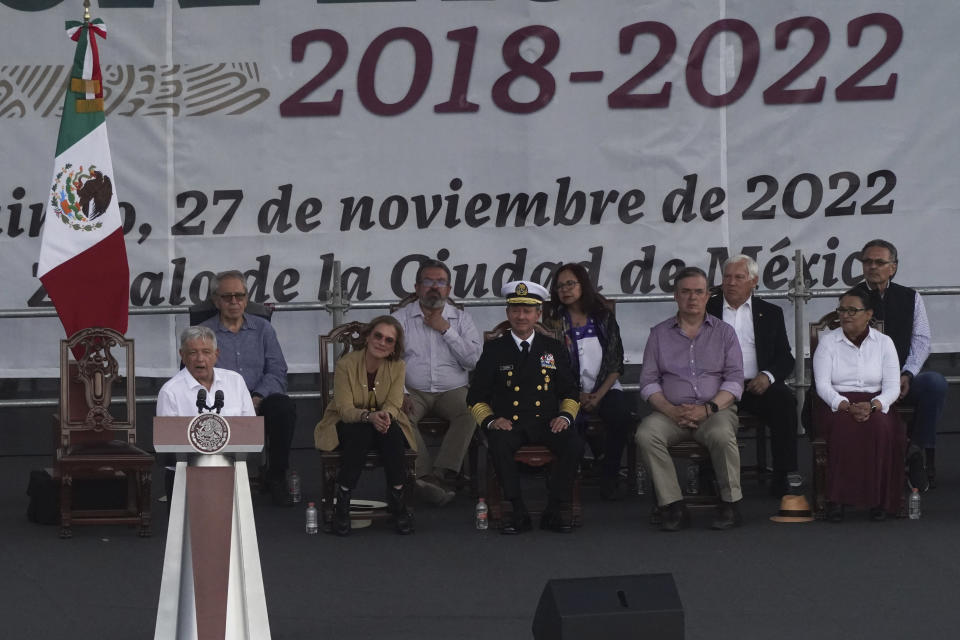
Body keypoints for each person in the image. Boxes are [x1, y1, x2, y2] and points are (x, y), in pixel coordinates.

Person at [467, 281, 583, 534]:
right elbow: (475, 397)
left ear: (538, 314)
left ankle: (554, 509)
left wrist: (565, 416)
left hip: (547, 421)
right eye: (516, 310)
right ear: (508, 313)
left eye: (527, 311)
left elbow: (570, 391)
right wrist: (491, 421)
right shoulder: (494, 349)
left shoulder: (552, 348)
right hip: (510, 422)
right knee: (498, 443)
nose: (521, 316)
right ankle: (516, 510)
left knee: (574, 443)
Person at [635, 266, 745, 531]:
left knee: (721, 436)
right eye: (686, 292)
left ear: (708, 296)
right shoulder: (659, 334)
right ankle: (673, 504)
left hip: (714, 411)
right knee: (645, 435)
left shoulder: (724, 333)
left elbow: (734, 380)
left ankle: (730, 502)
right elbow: (648, 382)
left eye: (698, 292)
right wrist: (671, 411)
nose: (692, 298)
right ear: (675, 296)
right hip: (669, 412)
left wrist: (708, 409)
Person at [200, 270, 297, 506]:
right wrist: (235, 401)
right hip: (221, 404)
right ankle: (217, 479)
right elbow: (195, 376)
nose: (234, 302)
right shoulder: (203, 333)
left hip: (259, 400)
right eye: (227, 297)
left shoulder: (263, 329)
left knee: (283, 407)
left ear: (247, 297)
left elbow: (277, 370)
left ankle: (275, 475)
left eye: (240, 296)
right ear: (216, 300)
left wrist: (256, 397)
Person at [314, 316, 417, 536]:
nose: (382, 342)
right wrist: (368, 417)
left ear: (393, 348)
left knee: (392, 433)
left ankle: (398, 502)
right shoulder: (346, 364)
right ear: (368, 336)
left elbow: (394, 403)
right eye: (378, 336)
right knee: (360, 433)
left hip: (383, 421)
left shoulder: (398, 366)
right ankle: (342, 503)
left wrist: (385, 416)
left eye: (389, 340)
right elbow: (344, 408)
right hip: (347, 422)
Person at [856, 239, 947, 488]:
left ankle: (915, 449)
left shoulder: (910, 297)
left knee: (935, 383)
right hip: (867, 383)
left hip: (903, 378)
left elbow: (921, 341)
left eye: (879, 262)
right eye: (867, 262)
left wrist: (906, 374)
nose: (872, 267)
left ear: (893, 268)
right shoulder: (852, 299)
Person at [707, 255, 798, 497]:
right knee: (701, 404)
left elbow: (785, 358)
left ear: (753, 281)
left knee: (785, 401)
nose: (731, 283)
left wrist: (767, 376)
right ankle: (707, 476)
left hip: (755, 386)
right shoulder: (707, 308)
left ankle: (782, 475)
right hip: (716, 386)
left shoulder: (770, 313)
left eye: (739, 277)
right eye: (727, 277)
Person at [392, 260, 481, 505]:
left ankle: (437, 475)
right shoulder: (400, 319)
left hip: (453, 390)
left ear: (448, 289)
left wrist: (446, 330)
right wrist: (400, 392)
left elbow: (473, 361)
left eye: (440, 282)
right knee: (397, 415)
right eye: (428, 282)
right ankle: (424, 473)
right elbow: (389, 361)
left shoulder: (462, 320)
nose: (434, 287)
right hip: (413, 391)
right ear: (417, 287)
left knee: (473, 409)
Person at [812, 288, 905, 521]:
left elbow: (893, 387)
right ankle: (837, 499)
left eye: (853, 310)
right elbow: (822, 385)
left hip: (875, 402)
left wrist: (874, 405)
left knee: (880, 428)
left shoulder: (884, 343)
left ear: (868, 314)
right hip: (836, 403)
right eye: (842, 310)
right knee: (844, 428)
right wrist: (845, 405)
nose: (846, 315)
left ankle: (878, 500)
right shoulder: (828, 343)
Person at [544, 262, 633, 499]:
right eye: (560, 286)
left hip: (604, 387)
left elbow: (616, 362)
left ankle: (609, 474)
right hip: (568, 390)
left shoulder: (603, 317)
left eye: (570, 283)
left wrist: (598, 395)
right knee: (558, 419)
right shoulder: (553, 321)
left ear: (583, 285)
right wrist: (575, 394)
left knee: (620, 416)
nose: (565, 290)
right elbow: (550, 364)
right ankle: (567, 477)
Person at [157, 326, 255, 418]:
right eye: (193, 353)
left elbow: (250, 427)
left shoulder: (235, 381)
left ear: (216, 354)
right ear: (182, 355)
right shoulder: (170, 392)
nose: (200, 359)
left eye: (206, 352)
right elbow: (168, 434)